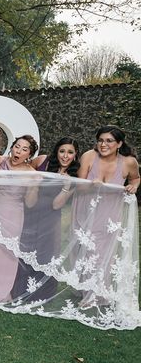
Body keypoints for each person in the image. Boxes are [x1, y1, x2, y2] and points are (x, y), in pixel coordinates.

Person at [74, 125, 139, 306]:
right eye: (101, 140)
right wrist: (90, 184)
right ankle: (87, 289)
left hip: (111, 212)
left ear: (119, 143)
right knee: (87, 251)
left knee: (104, 253)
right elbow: (79, 186)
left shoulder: (128, 162)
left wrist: (134, 186)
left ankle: (97, 294)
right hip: (87, 209)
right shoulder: (89, 156)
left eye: (109, 140)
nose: (103, 144)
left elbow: (135, 178)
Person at [12, 137, 80, 301]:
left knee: (46, 255)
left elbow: (57, 205)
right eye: (62, 151)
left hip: (51, 219)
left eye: (70, 152)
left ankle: (41, 294)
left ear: (75, 155)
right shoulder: (43, 160)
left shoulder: (75, 176)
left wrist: (66, 186)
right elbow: (23, 168)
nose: (65, 156)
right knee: (24, 250)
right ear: (57, 152)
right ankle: (18, 290)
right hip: (29, 212)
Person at [0, 135, 39, 302]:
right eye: (17, 146)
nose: (19, 151)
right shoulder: (1, 161)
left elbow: (30, 203)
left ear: (29, 155)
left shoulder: (31, 173)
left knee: (8, 251)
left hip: (15, 214)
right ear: (12, 147)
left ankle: (4, 292)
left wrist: (34, 186)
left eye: (24, 149)